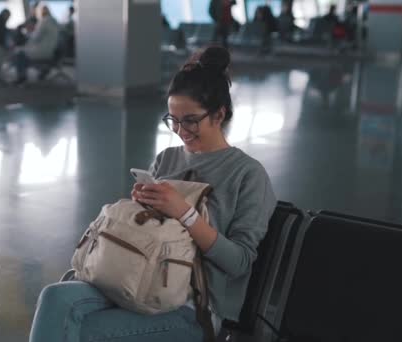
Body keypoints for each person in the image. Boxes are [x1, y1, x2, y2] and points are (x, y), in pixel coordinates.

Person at [28, 46, 277, 341]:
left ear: (219, 114)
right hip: (137, 278)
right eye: (173, 120)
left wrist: (184, 213)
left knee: (83, 331)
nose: (181, 130)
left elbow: (239, 263)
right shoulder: (167, 159)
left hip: (192, 306)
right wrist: (141, 209)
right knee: (54, 298)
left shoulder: (247, 174)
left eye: (190, 120)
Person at [12, 4, 60, 85]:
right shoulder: (54, 22)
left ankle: (21, 78)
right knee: (22, 50)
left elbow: (35, 38)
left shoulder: (43, 21)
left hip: (42, 51)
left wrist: (29, 32)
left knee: (19, 53)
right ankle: (42, 74)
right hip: (51, 50)